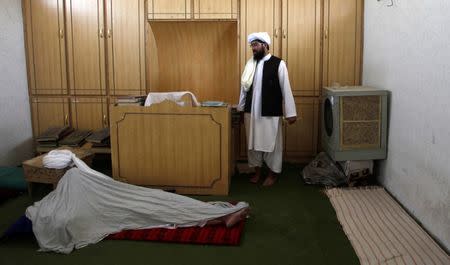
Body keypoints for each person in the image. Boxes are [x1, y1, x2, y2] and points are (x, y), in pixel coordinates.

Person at [237, 32, 297, 187]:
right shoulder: (250, 64)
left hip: (270, 113)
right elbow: (244, 89)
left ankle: (272, 173)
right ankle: (257, 172)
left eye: (255, 45)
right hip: (251, 112)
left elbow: (286, 89)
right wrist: (241, 107)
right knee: (253, 144)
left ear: (265, 45)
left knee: (272, 144)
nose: (253, 48)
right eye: (252, 46)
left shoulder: (279, 63)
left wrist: (291, 113)